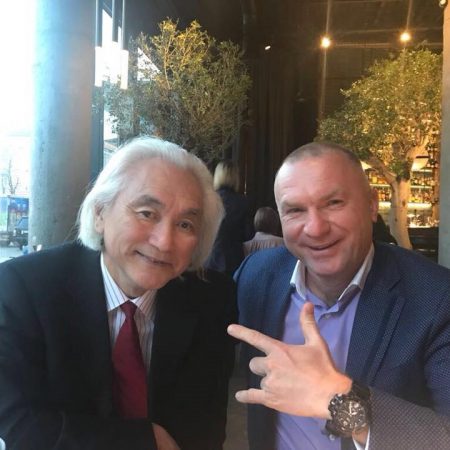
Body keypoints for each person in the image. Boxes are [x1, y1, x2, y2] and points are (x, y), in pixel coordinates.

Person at [0, 137, 237, 450]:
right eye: (147, 213)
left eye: (185, 224)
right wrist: (143, 440)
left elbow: (205, 424)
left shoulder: (211, 300)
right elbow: (17, 422)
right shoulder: (25, 287)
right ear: (100, 212)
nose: (164, 242)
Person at [230, 141, 450, 450]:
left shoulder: (436, 298)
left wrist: (338, 400)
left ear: (371, 205)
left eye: (333, 203)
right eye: (295, 210)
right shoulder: (256, 275)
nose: (316, 228)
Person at [205, 160, 251, 275]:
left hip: (209, 258)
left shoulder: (207, 200)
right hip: (234, 260)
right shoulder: (243, 202)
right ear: (236, 178)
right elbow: (249, 235)